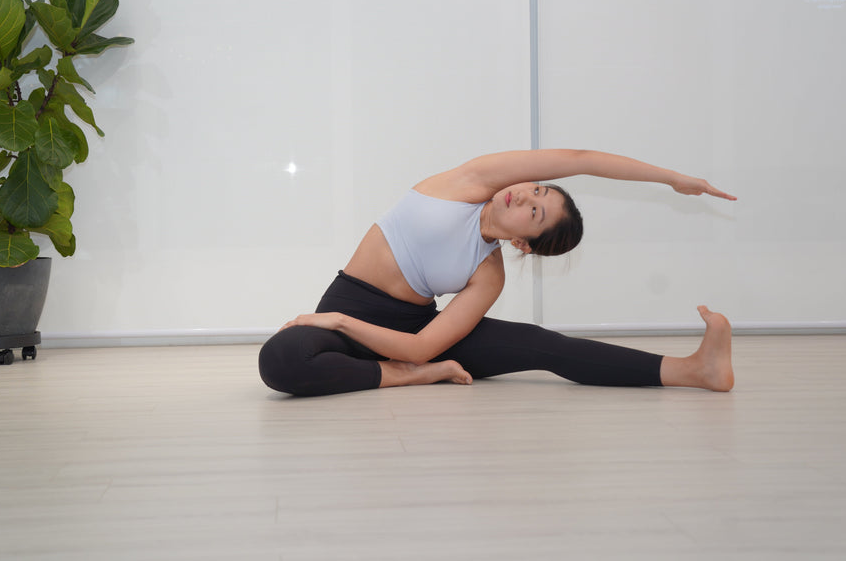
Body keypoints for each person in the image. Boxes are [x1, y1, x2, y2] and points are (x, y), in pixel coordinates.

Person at [258, 148, 736, 397]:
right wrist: (672, 178)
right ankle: (406, 379)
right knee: (280, 361)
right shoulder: (470, 181)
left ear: (523, 243)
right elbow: (581, 160)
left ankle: (694, 370)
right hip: (351, 307)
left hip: (410, 333)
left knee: (546, 346)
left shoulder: (489, 275)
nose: (524, 197)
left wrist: (339, 322)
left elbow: (424, 347)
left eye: (534, 213)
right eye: (537, 192)